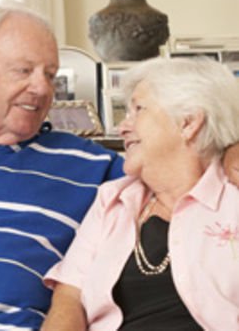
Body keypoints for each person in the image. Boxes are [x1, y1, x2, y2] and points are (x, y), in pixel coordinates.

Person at [0, 3, 237, 331]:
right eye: (24, 71)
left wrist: (232, 150)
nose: (41, 88)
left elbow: (179, 161)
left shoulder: (92, 164)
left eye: (50, 74)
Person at [42, 57, 239, 331]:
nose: (122, 127)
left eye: (138, 110)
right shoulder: (112, 200)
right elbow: (69, 296)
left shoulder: (233, 198)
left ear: (188, 122)